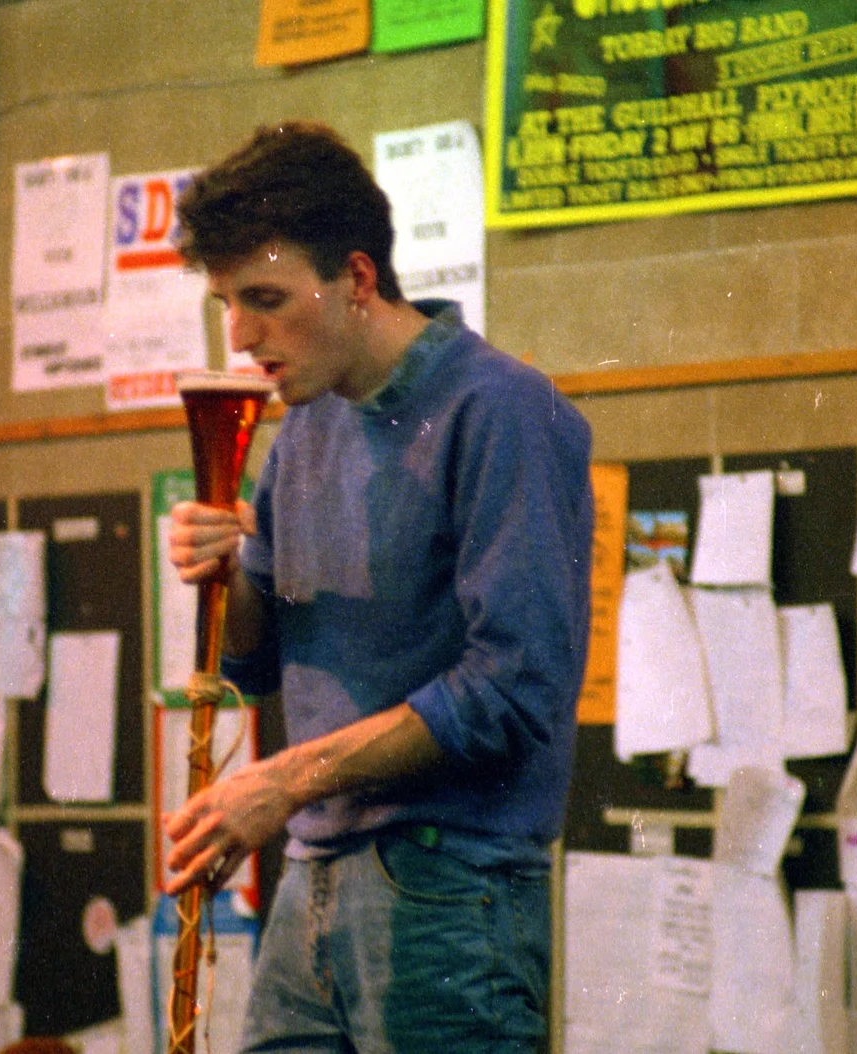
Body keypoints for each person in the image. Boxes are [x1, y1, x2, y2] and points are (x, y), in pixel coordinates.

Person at [163, 121, 593, 1054]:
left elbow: (514, 690)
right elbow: (258, 657)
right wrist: (228, 570)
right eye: (227, 302)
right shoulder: (304, 432)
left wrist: (280, 780)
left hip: (452, 887)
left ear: (359, 278)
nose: (241, 336)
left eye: (267, 299)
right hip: (311, 873)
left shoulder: (506, 411)